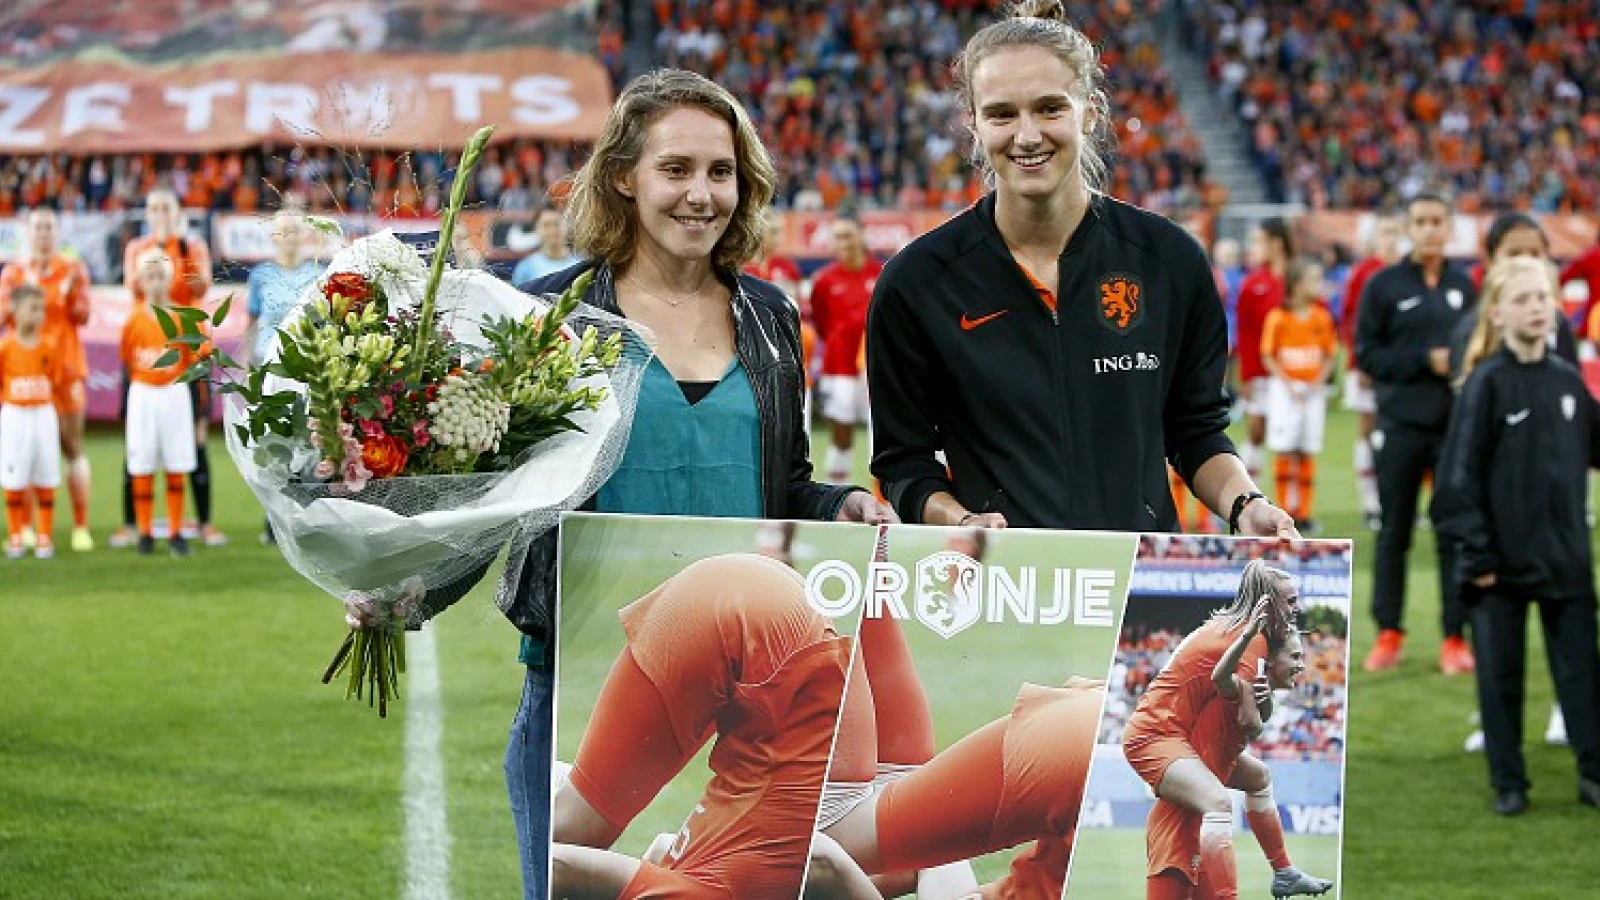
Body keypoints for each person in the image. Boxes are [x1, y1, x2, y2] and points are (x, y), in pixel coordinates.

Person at [375, 69, 895, 900]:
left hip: (742, 694)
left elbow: (783, 485)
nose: (702, 194)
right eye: (676, 170)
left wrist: (843, 504)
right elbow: (493, 491)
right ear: (625, 176)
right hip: (582, 677)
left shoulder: (769, 318)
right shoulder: (555, 314)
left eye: (720, 172)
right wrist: (407, 586)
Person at [866, 0, 1295, 540]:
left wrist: (1244, 504)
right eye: (1002, 114)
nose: (1026, 136)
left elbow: (1196, 433)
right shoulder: (918, 282)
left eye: (1050, 108)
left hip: (1139, 593)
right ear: (973, 123)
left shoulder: (1169, 262)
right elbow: (903, 464)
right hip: (1000, 594)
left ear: (1089, 112)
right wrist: (963, 522)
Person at [550, 553, 852, 898]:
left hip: (790, 621)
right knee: (570, 831)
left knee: (575, 829)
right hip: (755, 625)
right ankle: (552, 781)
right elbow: (560, 866)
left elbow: (663, 848)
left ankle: (558, 781)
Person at [1434, 256, 1600, 816]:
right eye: (1524, 299)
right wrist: (1478, 555)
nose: (1537, 308)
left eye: (1544, 297)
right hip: (1498, 567)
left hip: (1566, 562)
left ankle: (1593, 773)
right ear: (1499, 311)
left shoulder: (1567, 380)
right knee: (1501, 682)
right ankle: (1510, 783)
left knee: (1582, 676)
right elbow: (1456, 483)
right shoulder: (1486, 383)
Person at [1122, 561, 1333, 899]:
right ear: (1268, 602)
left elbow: (1226, 684)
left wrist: (1258, 699)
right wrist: (1262, 705)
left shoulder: (1236, 631)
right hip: (1156, 734)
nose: (1297, 609)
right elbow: (1249, 723)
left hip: (1176, 733)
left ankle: (1284, 871)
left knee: (1258, 777)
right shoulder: (1253, 642)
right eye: (1290, 602)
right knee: (1219, 803)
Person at [1354, 192, 1477, 674]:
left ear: (1449, 229)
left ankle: (1454, 636)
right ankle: (1389, 632)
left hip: (1453, 429)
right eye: (1421, 221)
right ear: (1409, 227)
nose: (1429, 229)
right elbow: (1367, 354)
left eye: (1437, 221)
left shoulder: (1464, 285)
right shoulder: (1384, 285)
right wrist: (1426, 360)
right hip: (1401, 425)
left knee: (1454, 534)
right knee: (1394, 533)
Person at [111, 188, 222, 548]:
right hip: (149, 347)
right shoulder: (137, 249)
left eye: (166, 208)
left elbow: (201, 286)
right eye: (154, 207)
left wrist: (177, 256)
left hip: (187, 345)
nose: (159, 213)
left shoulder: (193, 247)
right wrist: (157, 260)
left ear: (176, 213)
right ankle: (134, 526)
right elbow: (133, 285)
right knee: (138, 444)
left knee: (195, 438)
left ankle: (201, 523)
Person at [0, 209, 94, 552]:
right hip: (25, 369)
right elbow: (2, 316)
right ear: (27, 232)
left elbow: (83, 315)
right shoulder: (13, 272)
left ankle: (80, 526)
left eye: (48, 228)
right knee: (21, 450)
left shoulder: (72, 269)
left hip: (65, 367)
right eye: (37, 227)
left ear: (57, 233)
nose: (42, 233)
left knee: (72, 446)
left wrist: (69, 295)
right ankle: (24, 527)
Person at [243, 208, 319, 544]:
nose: (289, 236)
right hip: (269, 364)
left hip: (303, 366)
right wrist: (248, 368)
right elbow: (251, 323)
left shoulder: (316, 274)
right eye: (283, 231)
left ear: (305, 236)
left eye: (295, 230)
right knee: (273, 441)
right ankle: (273, 517)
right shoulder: (261, 276)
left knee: (306, 439)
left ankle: (304, 512)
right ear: (274, 237)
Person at [121, 248, 203, 556]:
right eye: (149, 277)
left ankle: (175, 531)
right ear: (141, 281)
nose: (155, 283)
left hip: (174, 392)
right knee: (141, 461)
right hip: (143, 393)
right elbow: (127, 361)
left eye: (160, 276)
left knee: (176, 460)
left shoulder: (182, 318)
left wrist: (198, 411)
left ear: (169, 279)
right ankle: (144, 533)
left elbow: (192, 364)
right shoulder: (132, 321)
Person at [1260, 259, 1337, 534]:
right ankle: (1283, 510)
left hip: (1313, 390)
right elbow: (1268, 354)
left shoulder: (1322, 317)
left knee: (1307, 448)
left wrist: (1318, 380)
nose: (1318, 285)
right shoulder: (1278, 317)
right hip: (1286, 390)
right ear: (1296, 284)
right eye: (1313, 278)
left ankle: (1304, 513)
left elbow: (1330, 353)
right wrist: (1288, 382)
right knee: (1285, 446)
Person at [1341, 214, 1404, 531]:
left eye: (1395, 232)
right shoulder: (1363, 272)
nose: (1391, 238)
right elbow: (1350, 321)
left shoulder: (1407, 271)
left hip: (1400, 369)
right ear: (1375, 238)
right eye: (1385, 232)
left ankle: (1396, 502)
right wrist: (1359, 362)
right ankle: (1370, 503)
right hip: (1368, 366)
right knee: (1368, 433)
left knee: (1396, 434)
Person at [810, 212, 881, 483]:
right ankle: (837, 494)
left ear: (862, 236)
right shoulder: (824, 280)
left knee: (882, 435)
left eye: (848, 235)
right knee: (841, 433)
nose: (844, 242)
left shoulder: (882, 273)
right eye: (838, 237)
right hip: (838, 367)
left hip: (875, 367)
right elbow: (820, 322)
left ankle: (885, 503)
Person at [0, 284, 66, 558]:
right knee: (15, 478)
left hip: (43, 414)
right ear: (14, 310)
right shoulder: (5, 347)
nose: (37, 315)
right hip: (15, 414)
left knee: (46, 474)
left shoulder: (50, 345)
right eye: (32, 308)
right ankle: (15, 536)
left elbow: (57, 380)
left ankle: (44, 538)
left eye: (40, 309)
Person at [1234, 218, 1296, 484]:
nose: (1254, 247)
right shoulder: (1252, 283)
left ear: (1276, 243)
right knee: (1256, 431)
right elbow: (1244, 333)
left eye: (1259, 241)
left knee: (1292, 436)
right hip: (1261, 371)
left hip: (1294, 372)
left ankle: (1295, 506)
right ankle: (1247, 496)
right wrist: (1246, 375)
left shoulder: (1298, 279)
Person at [510, 205, 579, 289]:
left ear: (566, 226)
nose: (553, 230)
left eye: (557, 224)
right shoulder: (525, 268)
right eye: (546, 225)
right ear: (536, 229)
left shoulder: (581, 263)